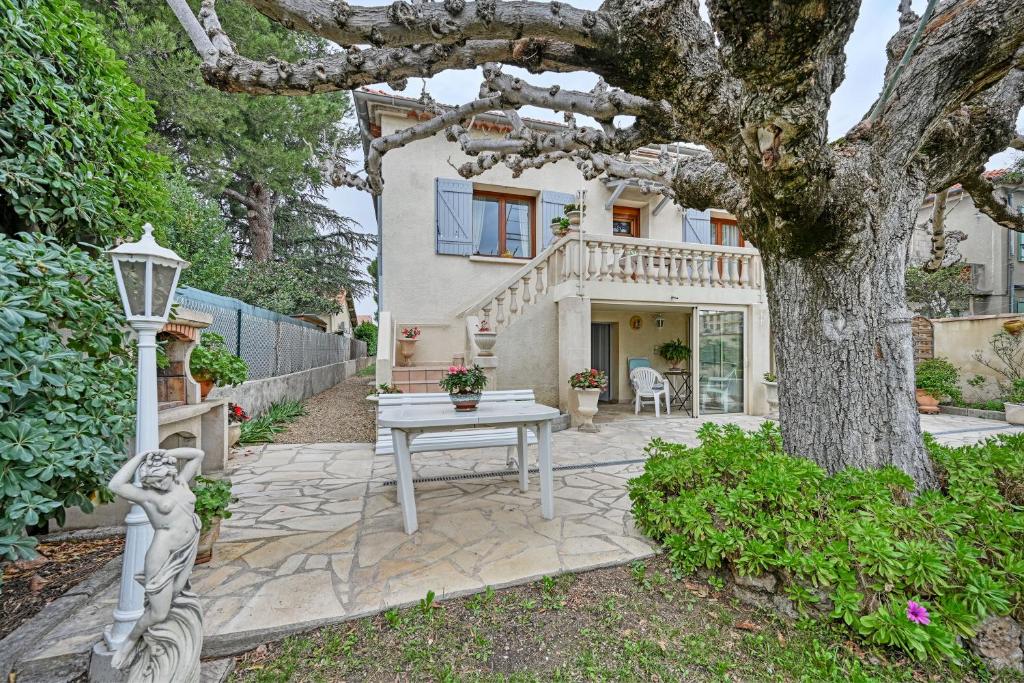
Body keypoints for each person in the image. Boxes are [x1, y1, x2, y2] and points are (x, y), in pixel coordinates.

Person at [109, 448, 205, 682]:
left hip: (188, 546)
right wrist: (141, 457)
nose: (159, 485)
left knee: (178, 595)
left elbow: (198, 454)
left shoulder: (181, 482)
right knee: (159, 612)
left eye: (161, 479)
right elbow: (115, 486)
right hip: (163, 553)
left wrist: (163, 452)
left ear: (170, 473)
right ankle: (130, 641)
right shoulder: (149, 496)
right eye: (153, 481)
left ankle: (176, 648)